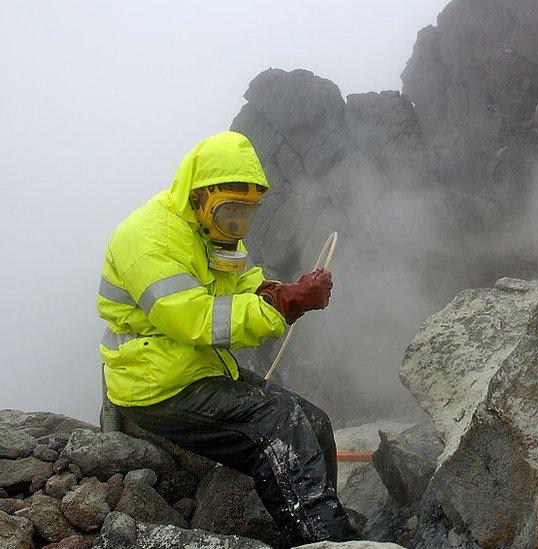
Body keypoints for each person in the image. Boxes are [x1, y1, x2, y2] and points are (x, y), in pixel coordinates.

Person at [96, 131, 357, 544]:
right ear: (200, 194)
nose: (238, 222)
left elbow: (242, 283)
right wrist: (283, 304)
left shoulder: (211, 228)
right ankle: (322, 538)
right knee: (280, 424)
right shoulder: (148, 240)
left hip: (196, 370)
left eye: (247, 212)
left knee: (316, 422)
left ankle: (324, 518)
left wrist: (278, 292)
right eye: (231, 210)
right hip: (157, 385)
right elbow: (196, 320)